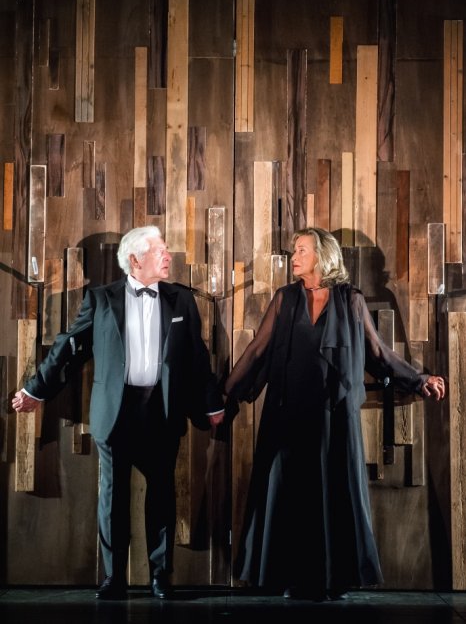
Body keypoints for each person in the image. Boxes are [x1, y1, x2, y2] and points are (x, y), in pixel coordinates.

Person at [223, 227, 445, 602]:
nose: (294, 257)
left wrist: (419, 380)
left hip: (334, 416)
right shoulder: (285, 298)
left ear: (322, 256)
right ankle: (287, 576)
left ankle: (330, 578)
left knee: (331, 494)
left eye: (302, 250)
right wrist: (224, 395)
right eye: (294, 250)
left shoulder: (350, 300)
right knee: (289, 494)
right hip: (287, 412)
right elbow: (257, 351)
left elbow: (378, 353)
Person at [12, 225, 225, 600]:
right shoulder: (101, 299)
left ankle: (160, 576)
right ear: (135, 259)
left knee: (162, 495)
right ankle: (114, 577)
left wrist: (212, 403)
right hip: (116, 412)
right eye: (159, 250)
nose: (167, 256)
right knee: (113, 497)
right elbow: (69, 347)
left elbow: (197, 356)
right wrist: (36, 389)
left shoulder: (181, 300)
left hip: (161, 410)